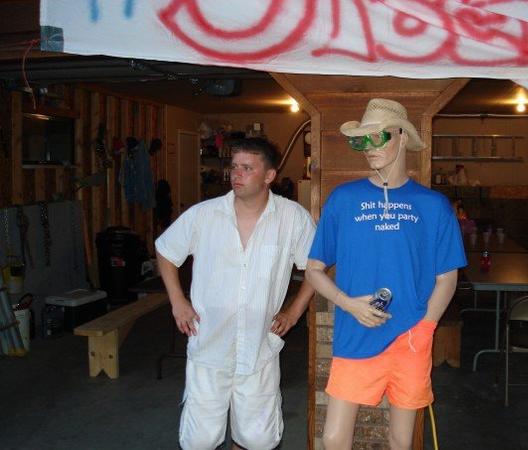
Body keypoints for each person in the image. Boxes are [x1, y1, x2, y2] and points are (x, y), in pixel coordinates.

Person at [305, 98, 467, 450]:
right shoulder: (343, 199)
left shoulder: (433, 205)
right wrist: (348, 304)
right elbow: (314, 269)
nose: (369, 148)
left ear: (403, 137)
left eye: (378, 137)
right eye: (362, 140)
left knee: (400, 439)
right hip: (355, 333)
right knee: (333, 438)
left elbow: (447, 277)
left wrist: (425, 328)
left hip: (411, 336)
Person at [155, 137, 316, 450]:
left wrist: (294, 311)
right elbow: (165, 250)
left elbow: (315, 266)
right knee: (199, 440)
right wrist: (178, 301)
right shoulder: (204, 215)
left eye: (247, 168)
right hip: (208, 343)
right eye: (234, 167)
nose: (236, 174)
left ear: (269, 175)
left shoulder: (292, 218)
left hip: (259, 347)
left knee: (257, 439)